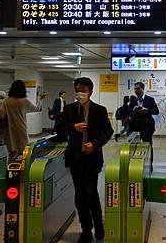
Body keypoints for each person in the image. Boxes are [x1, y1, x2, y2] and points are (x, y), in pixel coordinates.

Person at [62, 77, 113, 243]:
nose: (80, 93)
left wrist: (95, 144)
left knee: (91, 192)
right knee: (79, 194)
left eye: (83, 90)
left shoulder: (99, 110)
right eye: (77, 90)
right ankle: (86, 229)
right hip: (75, 157)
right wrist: (73, 127)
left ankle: (99, 225)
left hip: (92, 157)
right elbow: (59, 129)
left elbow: (108, 132)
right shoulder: (69, 109)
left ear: (91, 91)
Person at [0, 80, 37, 159]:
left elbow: (1, 115)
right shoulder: (24, 101)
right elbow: (35, 109)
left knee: (12, 150)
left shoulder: (7, 101)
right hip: (21, 128)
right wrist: (40, 98)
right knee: (23, 151)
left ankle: (11, 166)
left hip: (10, 129)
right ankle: (22, 167)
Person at [129, 82, 159, 147]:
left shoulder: (150, 99)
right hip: (135, 127)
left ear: (142, 89)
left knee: (147, 146)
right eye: (135, 89)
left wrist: (147, 110)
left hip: (147, 126)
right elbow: (128, 112)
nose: (136, 91)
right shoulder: (133, 100)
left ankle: (150, 157)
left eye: (138, 89)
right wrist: (133, 110)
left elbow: (156, 111)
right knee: (134, 147)